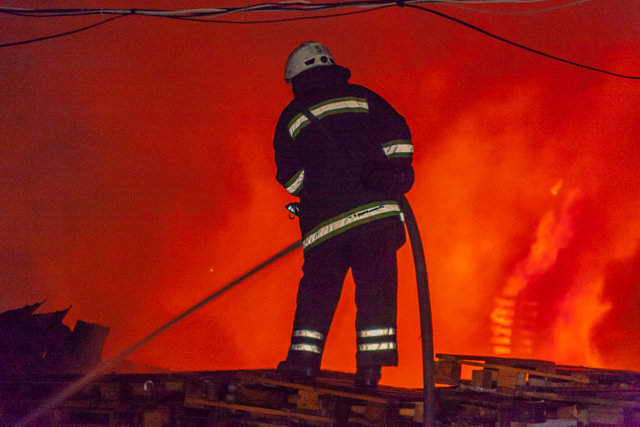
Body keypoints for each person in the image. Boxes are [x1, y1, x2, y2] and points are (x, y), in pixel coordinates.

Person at [273, 42, 414, 388]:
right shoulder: (363, 98)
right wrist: (392, 171)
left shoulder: (291, 116)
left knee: (317, 293)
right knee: (376, 292)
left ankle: (304, 363)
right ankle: (370, 371)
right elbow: (398, 134)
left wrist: (317, 191)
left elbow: (290, 178)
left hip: (326, 227)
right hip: (376, 218)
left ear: (297, 78)